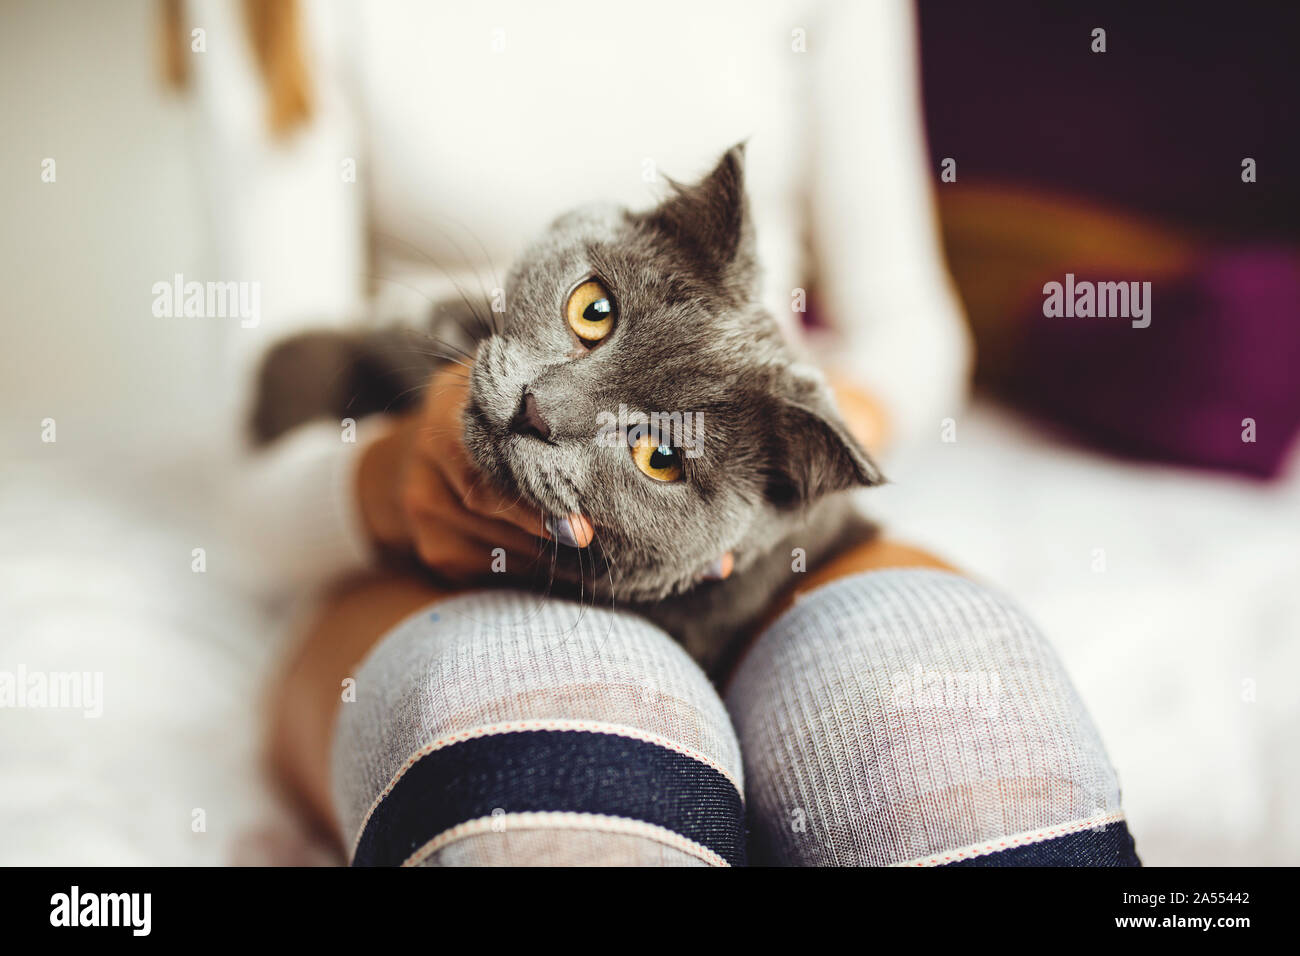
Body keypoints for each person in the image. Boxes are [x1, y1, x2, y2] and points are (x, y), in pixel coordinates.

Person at [172, 0, 1137, 865]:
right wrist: (385, 485)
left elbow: (912, 332)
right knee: (564, 788)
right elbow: (255, 453)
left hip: (747, 500)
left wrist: (767, 480)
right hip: (427, 523)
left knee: (961, 763)